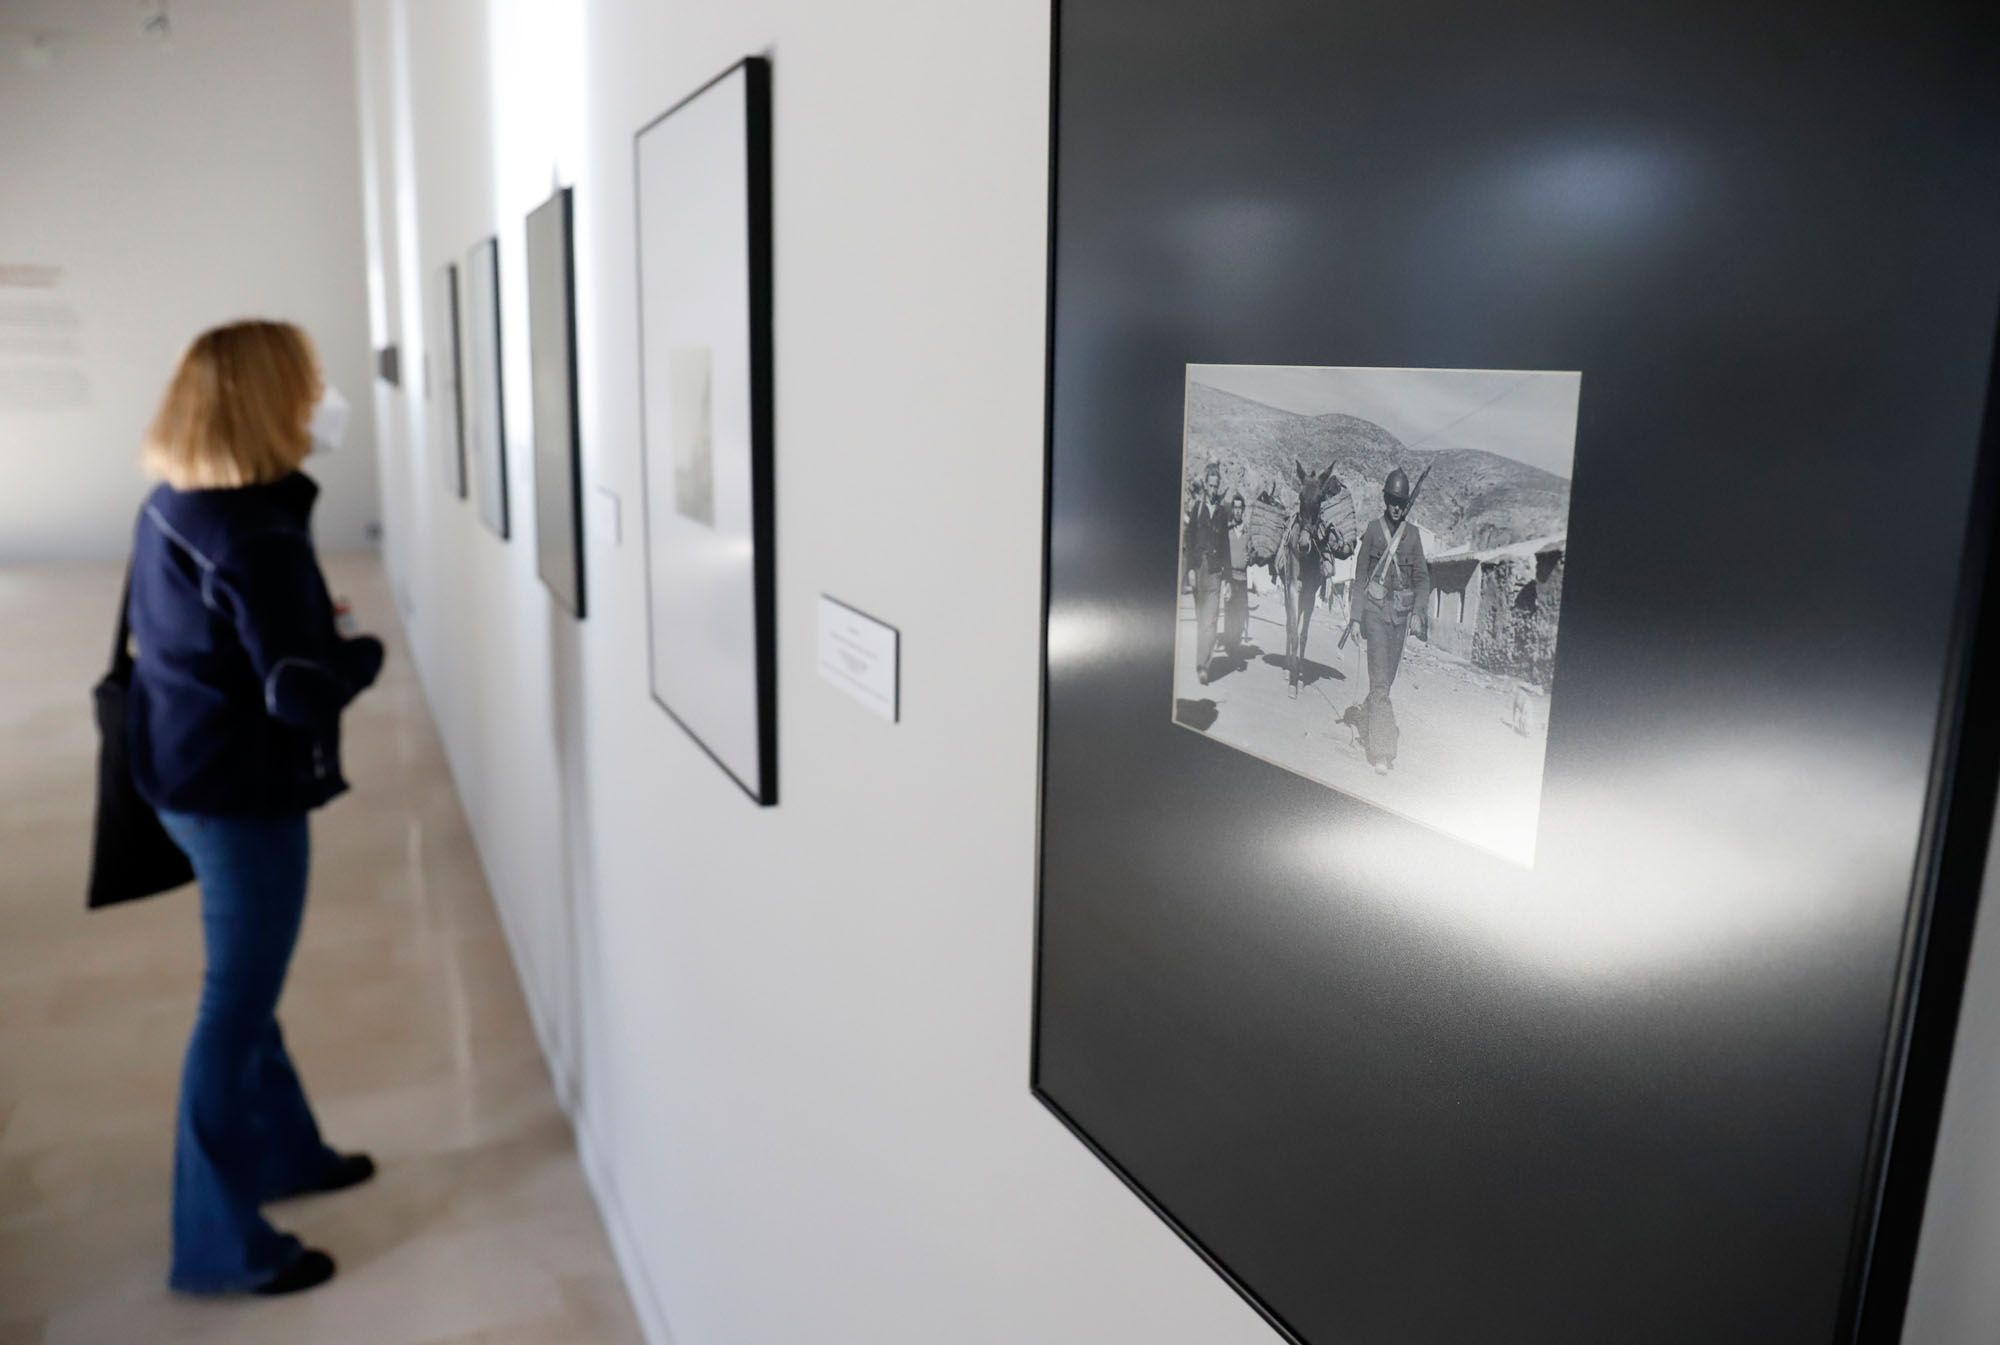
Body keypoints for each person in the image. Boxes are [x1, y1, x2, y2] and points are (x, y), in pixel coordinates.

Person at [127, 320, 384, 1297]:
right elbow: (300, 691)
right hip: (240, 794)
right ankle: (220, 1246)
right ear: (272, 399)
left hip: (181, 775)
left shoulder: (177, 501)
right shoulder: (259, 529)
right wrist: (360, 654)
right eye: (310, 382)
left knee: (249, 991)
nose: (324, 398)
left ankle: (289, 1154)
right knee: (234, 1006)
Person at [1342, 468, 1431, 774]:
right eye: (1392, 500)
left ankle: (1367, 719)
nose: (1396, 506)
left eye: (1401, 502)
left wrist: (1419, 612)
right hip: (1375, 616)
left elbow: (1421, 578)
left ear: (1406, 504)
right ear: (1385, 499)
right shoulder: (1372, 530)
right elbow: (1360, 578)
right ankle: (1382, 752)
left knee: (1385, 683)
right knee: (1380, 682)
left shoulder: (1414, 536)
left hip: (1401, 619)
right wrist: (1355, 619)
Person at [1182, 462, 1231, 684]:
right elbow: (1189, 540)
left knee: (1211, 620)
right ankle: (1201, 660)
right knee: (1201, 619)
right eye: (1210, 486)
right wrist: (1190, 570)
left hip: (1214, 571)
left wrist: (1228, 579)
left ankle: (1203, 665)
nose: (1213, 490)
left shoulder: (1222, 513)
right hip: (1198, 568)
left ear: (1219, 486)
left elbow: (1227, 545)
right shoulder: (1198, 509)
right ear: (1205, 487)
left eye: (1216, 486)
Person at [1224, 492, 1250, 652]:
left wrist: (1250, 557)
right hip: (1229, 578)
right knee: (1229, 614)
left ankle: (1235, 645)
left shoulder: (1248, 531)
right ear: (1232, 510)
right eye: (1236, 508)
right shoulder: (1227, 530)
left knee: (1240, 615)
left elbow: (1252, 553)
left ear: (1243, 510)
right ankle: (1229, 646)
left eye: (1241, 508)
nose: (1238, 511)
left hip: (1243, 579)